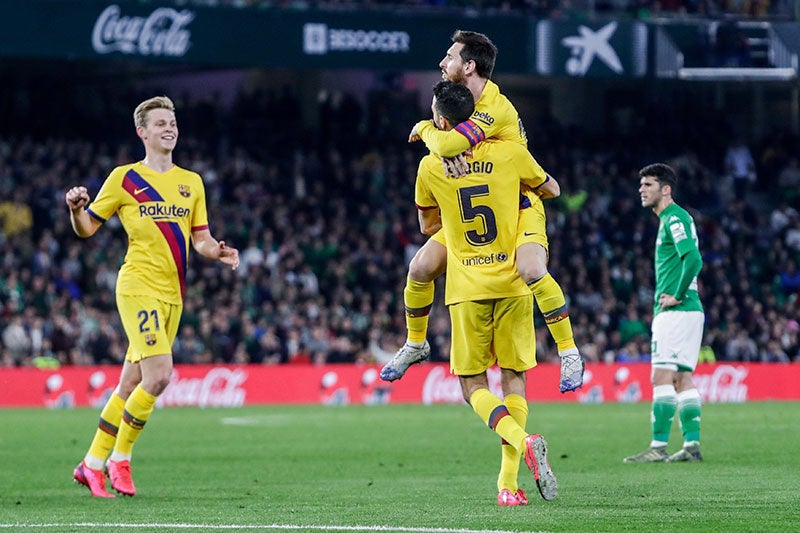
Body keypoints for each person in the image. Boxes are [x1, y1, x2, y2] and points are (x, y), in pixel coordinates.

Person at [380, 30, 583, 394]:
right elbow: (452, 141)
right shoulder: (459, 103)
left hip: (519, 204)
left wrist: (427, 129)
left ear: (469, 66)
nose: (443, 64)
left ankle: (568, 352)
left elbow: (453, 140)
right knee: (420, 267)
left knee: (532, 269)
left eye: (450, 58)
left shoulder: (493, 106)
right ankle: (415, 343)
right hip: (479, 205)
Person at [66, 96, 240, 497]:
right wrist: (76, 210)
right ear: (142, 131)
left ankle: (91, 464)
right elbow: (87, 228)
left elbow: (200, 239)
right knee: (159, 375)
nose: (169, 129)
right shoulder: (124, 178)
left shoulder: (191, 182)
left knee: (129, 384)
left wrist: (218, 251)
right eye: (160, 123)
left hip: (173, 294)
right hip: (137, 287)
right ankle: (119, 459)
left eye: (173, 123)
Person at [416, 79, 559, 505]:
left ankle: (523, 441)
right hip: (514, 281)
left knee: (471, 384)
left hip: (468, 286)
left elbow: (427, 228)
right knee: (514, 379)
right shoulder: (510, 153)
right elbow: (551, 189)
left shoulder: (430, 166)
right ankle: (507, 486)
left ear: (442, 122)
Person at [624, 163, 704, 463]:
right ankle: (691, 445)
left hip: (678, 311)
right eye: (641, 185)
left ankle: (658, 447)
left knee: (661, 377)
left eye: (648, 185)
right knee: (682, 377)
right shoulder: (672, 219)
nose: (641, 190)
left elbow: (693, 259)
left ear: (665, 189)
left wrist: (676, 296)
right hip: (690, 312)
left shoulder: (674, 217)